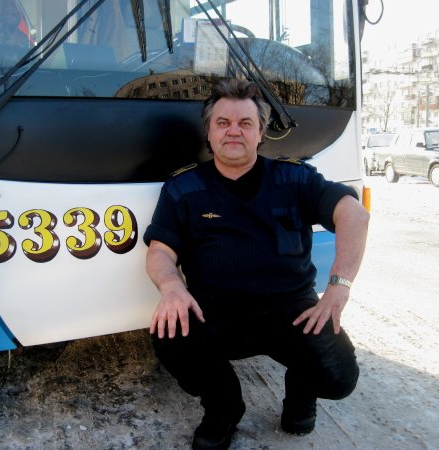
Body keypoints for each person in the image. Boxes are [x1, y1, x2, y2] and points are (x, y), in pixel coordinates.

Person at [143, 79, 369, 450]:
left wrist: (338, 288)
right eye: (223, 122)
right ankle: (224, 407)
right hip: (216, 311)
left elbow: (354, 215)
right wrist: (171, 287)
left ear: (260, 132)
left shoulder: (295, 178)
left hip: (291, 312)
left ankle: (301, 388)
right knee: (170, 334)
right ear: (209, 132)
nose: (234, 130)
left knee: (338, 378)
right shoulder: (183, 188)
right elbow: (160, 250)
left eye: (245, 123)